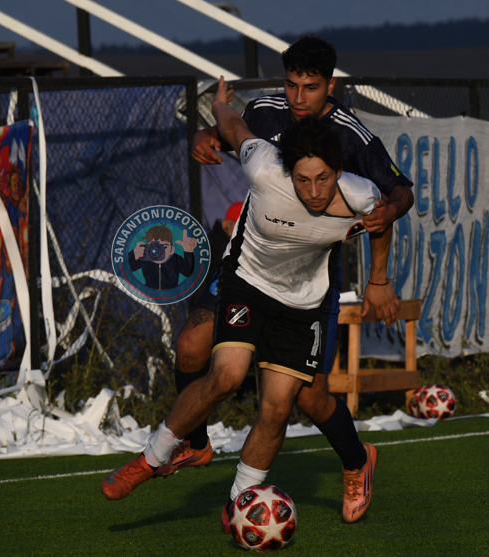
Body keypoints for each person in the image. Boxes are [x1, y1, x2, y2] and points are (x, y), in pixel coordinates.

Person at [102, 77, 401, 529]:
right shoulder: (264, 165)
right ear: (287, 170)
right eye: (303, 180)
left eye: (323, 179)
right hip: (247, 282)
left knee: (280, 406)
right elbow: (233, 126)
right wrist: (220, 105)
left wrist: (378, 279)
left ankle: (239, 503)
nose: (314, 191)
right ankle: (151, 459)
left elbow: (382, 224)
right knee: (225, 375)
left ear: (338, 171)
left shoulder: (361, 195)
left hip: (303, 303)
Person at [128, 224, 199, 290]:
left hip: (172, 296)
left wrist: (188, 251)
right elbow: (126, 269)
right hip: (149, 296)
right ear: (148, 247)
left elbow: (187, 272)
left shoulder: (175, 259)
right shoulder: (145, 258)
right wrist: (134, 254)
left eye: (165, 247)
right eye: (155, 246)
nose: (160, 251)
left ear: (171, 250)